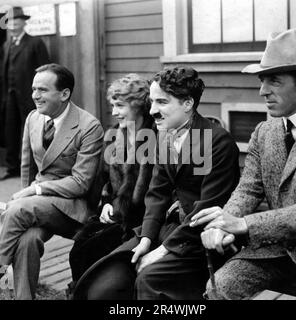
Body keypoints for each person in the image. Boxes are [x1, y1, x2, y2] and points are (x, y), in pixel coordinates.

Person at [191, 29, 296, 300]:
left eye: (274, 81)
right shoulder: (264, 131)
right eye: (262, 81)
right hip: (274, 250)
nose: (263, 91)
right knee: (220, 286)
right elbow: (248, 190)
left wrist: (243, 225)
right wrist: (221, 225)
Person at [73, 66, 240, 300]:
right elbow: (157, 195)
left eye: (162, 102)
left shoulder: (217, 143)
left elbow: (206, 210)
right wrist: (145, 240)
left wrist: (162, 250)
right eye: (151, 102)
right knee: (104, 284)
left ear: (187, 103)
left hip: (199, 239)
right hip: (163, 229)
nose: (153, 110)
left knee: (147, 280)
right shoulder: (165, 136)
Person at [0, 63, 104, 300]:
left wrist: (35, 190)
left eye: (43, 90)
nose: (35, 95)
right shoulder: (33, 118)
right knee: (27, 239)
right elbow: (27, 167)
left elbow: (80, 183)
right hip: (38, 204)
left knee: (17, 208)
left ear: (64, 94)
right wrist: (29, 190)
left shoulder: (89, 126)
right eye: (34, 89)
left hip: (73, 207)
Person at [67, 74, 155, 291]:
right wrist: (106, 203)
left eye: (120, 106)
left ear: (138, 105)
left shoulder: (158, 137)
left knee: (98, 254)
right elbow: (106, 181)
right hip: (117, 216)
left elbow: (159, 195)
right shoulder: (115, 136)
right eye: (112, 105)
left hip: (143, 224)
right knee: (81, 247)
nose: (114, 112)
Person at [0, 7, 50, 181]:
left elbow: (46, 72)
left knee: (33, 132)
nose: (12, 25)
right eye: (9, 22)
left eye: (16, 21)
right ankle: (12, 167)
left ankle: (36, 170)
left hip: (31, 96)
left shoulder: (35, 43)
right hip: (10, 96)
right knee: (10, 130)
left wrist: (42, 94)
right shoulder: (7, 45)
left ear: (23, 23)